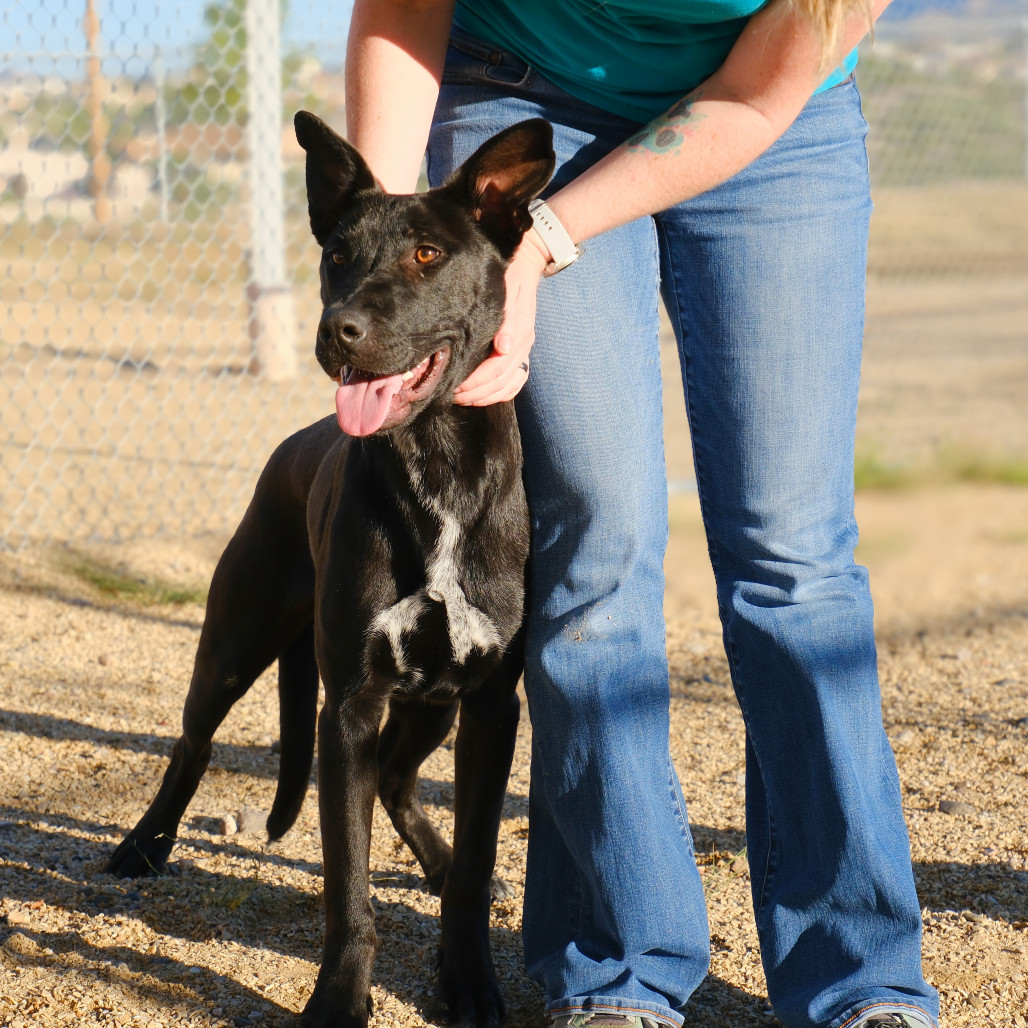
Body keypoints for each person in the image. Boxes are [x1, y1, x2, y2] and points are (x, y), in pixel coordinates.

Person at [344, 2, 940, 1027]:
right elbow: (401, 10)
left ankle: (858, 973)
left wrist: (547, 243)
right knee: (596, 539)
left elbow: (757, 90)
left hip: (772, 129)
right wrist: (391, 256)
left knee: (793, 559)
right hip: (527, 103)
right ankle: (618, 969)